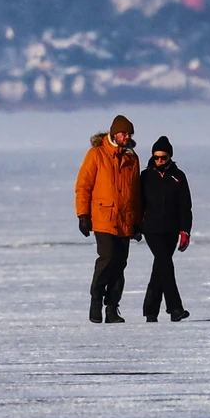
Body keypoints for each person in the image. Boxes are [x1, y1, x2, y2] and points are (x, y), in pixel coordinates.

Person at [74, 114, 141, 323]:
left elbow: (136, 193)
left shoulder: (132, 158)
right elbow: (83, 186)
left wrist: (138, 221)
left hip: (125, 219)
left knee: (120, 263)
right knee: (107, 258)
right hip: (103, 217)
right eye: (123, 133)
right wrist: (83, 215)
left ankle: (112, 307)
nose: (126, 136)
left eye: (129, 133)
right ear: (114, 133)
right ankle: (96, 298)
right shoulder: (96, 154)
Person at [138, 135, 192, 322]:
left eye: (163, 157)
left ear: (170, 157)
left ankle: (150, 311)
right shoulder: (145, 176)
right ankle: (175, 308)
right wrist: (136, 226)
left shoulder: (178, 177)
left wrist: (185, 231)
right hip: (151, 229)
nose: (159, 161)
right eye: (156, 157)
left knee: (160, 267)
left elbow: (185, 206)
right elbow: (138, 203)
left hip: (171, 229)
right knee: (166, 265)